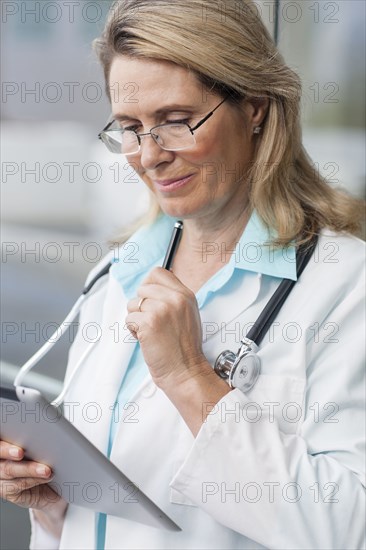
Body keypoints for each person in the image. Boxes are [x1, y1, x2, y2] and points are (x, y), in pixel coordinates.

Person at [1, 1, 365, 548]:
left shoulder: (344, 284)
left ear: (256, 107)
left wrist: (190, 377)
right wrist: (55, 503)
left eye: (175, 121)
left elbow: (347, 527)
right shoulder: (116, 275)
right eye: (130, 127)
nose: (149, 156)